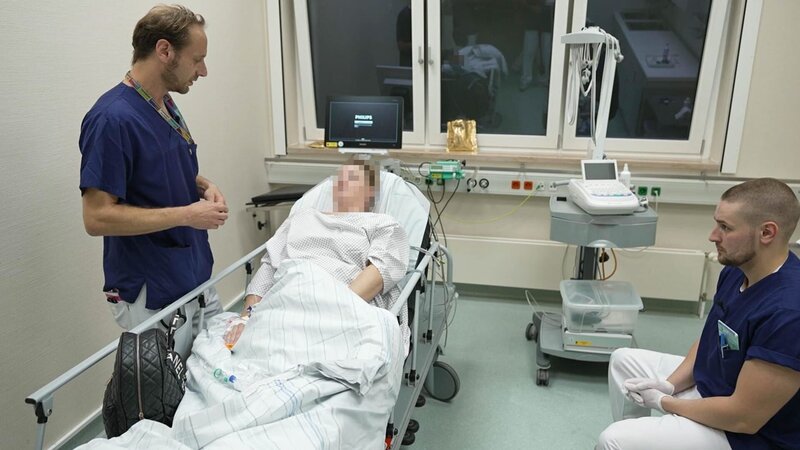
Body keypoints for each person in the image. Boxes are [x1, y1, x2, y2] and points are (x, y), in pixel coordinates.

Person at [597, 178, 800, 450]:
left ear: (766, 233)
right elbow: (710, 341)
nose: (713, 236)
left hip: (745, 436)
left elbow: (744, 418)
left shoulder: (789, 312)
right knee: (623, 360)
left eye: (725, 227)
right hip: (715, 388)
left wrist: (665, 402)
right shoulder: (737, 271)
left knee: (613, 440)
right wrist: (669, 385)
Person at [79, 5, 227, 357]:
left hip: (193, 272)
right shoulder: (112, 119)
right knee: (170, 389)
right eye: (197, 60)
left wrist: (202, 185)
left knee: (216, 370)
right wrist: (188, 215)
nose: (203, 71)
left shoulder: (163, 105)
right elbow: (96, 217)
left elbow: (156, 166)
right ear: (164, 50)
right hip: (154, 289)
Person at [224, 160, 410, 352]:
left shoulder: (382, 224)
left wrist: (324, 313)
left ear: (370, 192)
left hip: (341, 310)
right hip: (286, 300)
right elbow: (269, 266)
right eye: (340, 178)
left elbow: (381, 270)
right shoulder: (301, 217)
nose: (342, 182)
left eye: (352, 178)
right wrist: (246, 317)